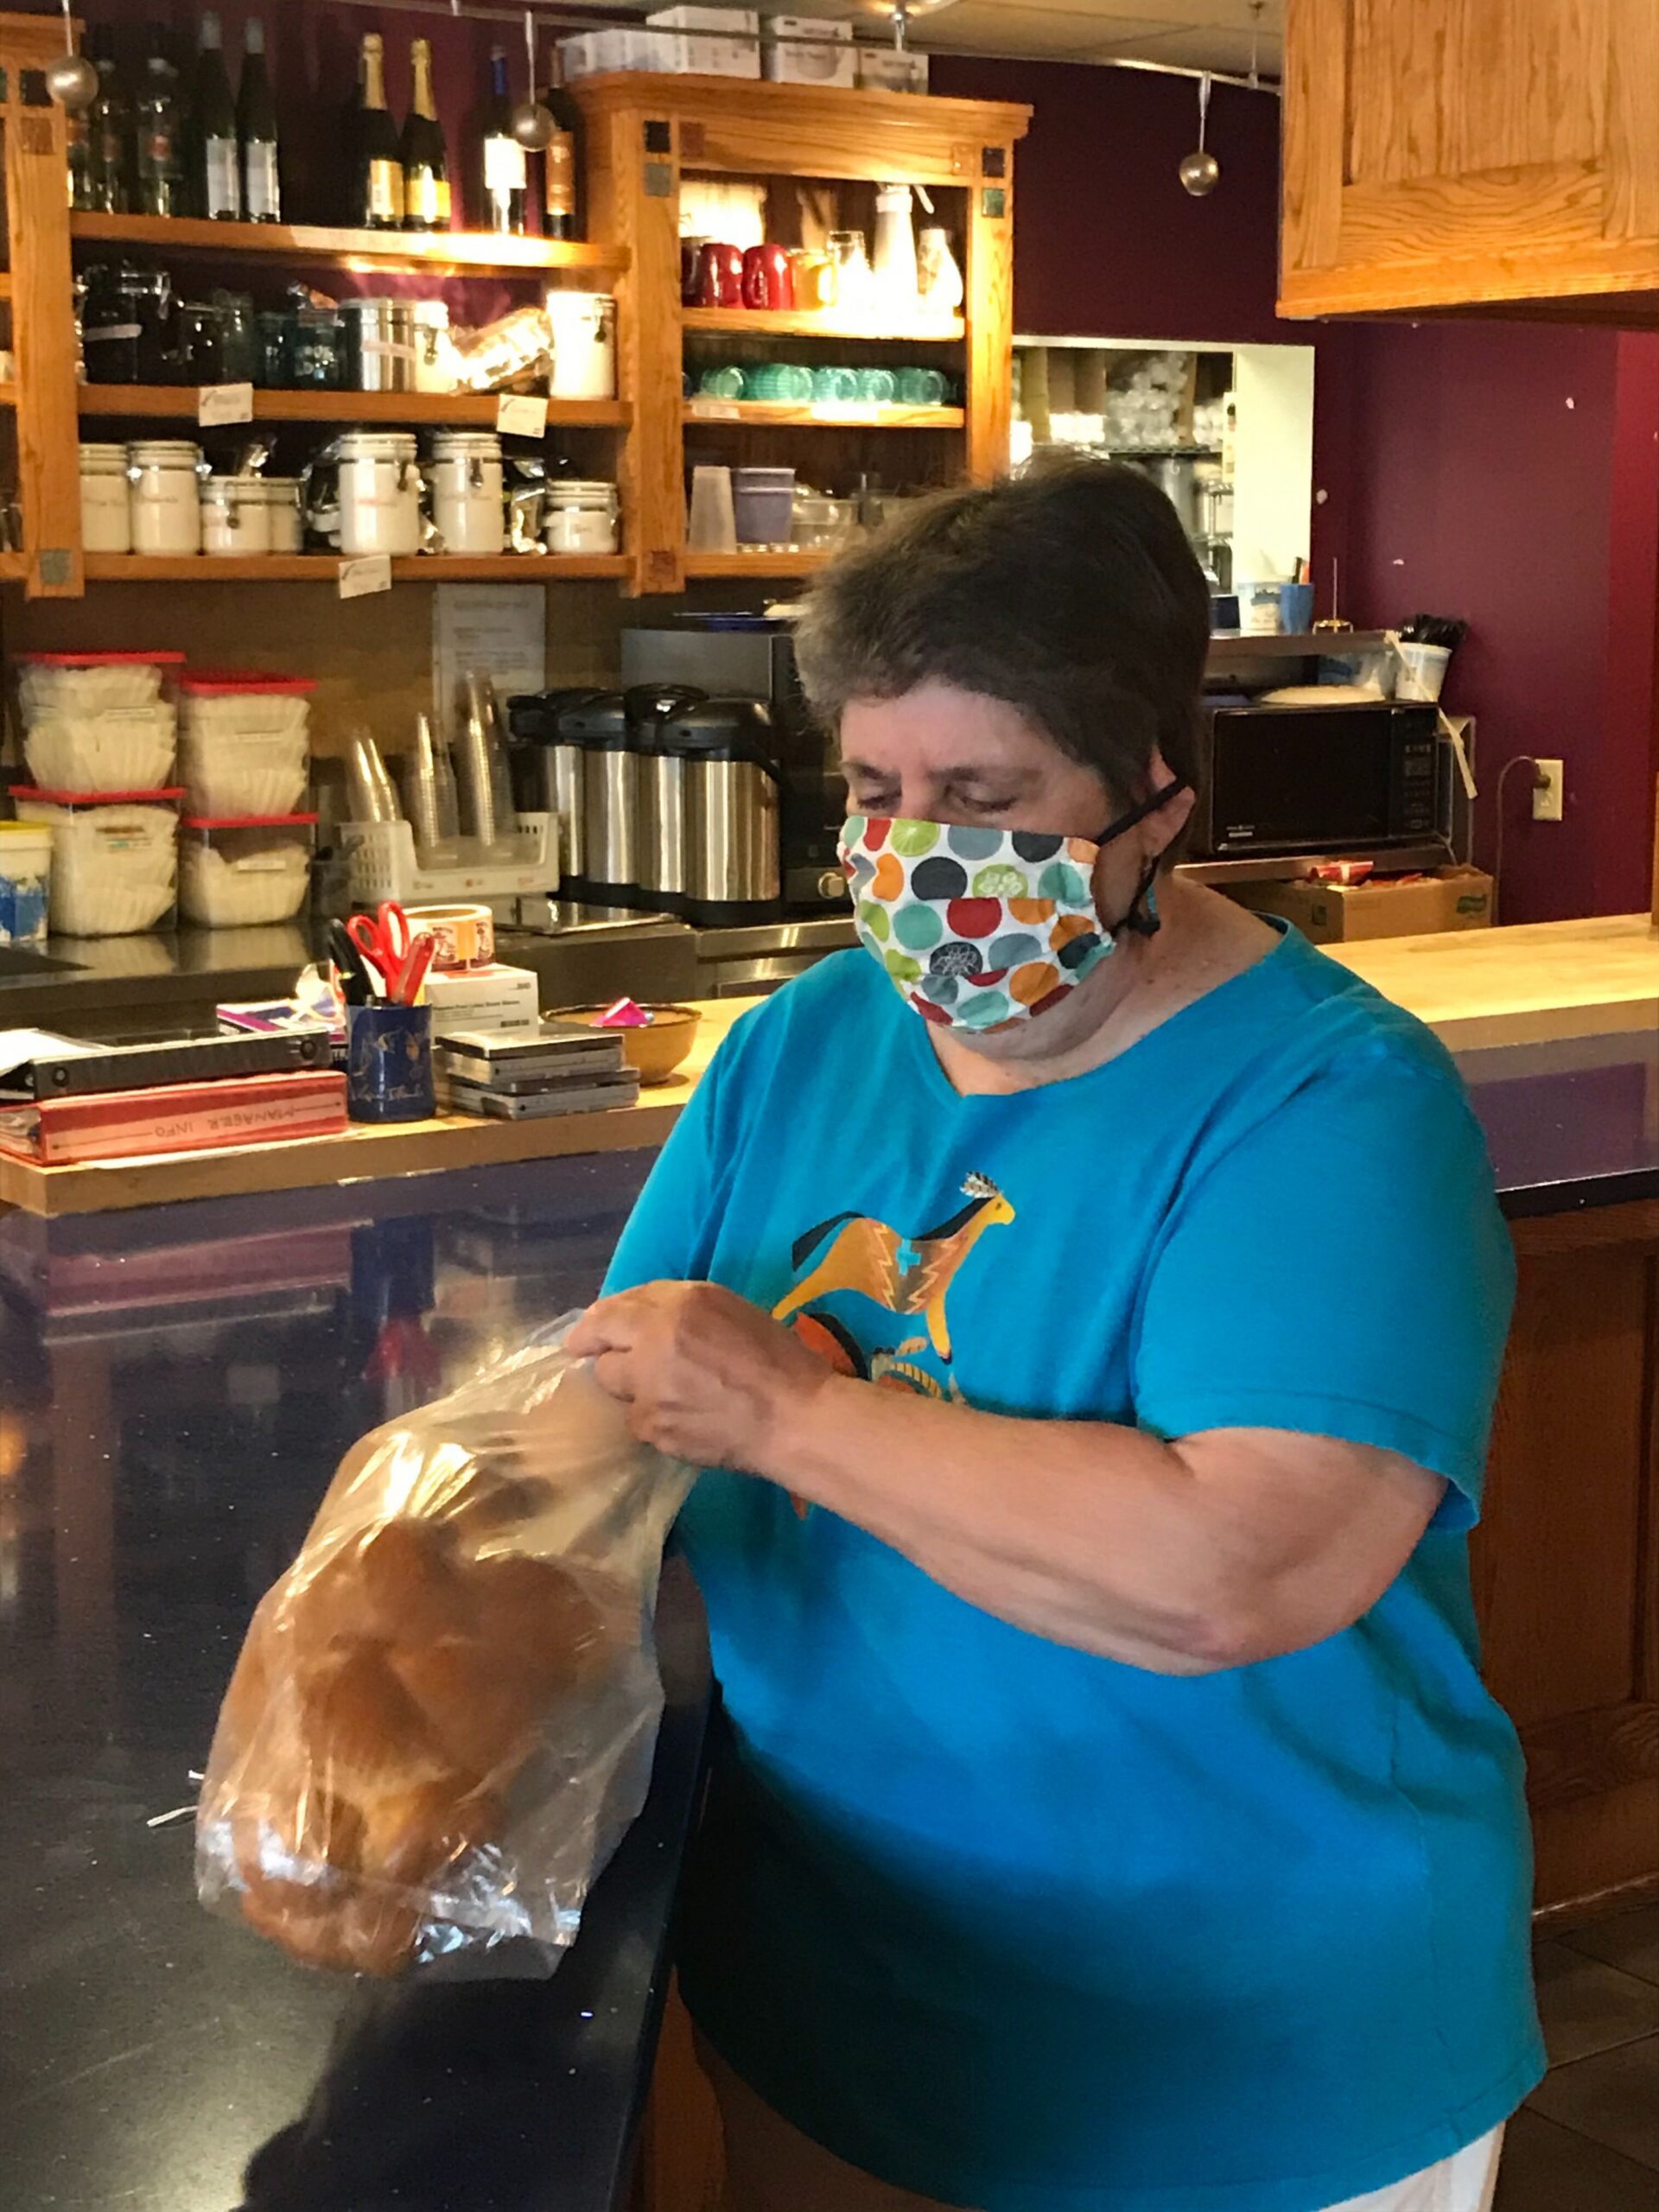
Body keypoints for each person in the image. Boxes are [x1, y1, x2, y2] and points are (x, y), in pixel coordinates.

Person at [568, 457, 1541, 2212]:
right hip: (839, 2000)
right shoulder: (799, 1044)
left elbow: (1233, 1567)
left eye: (987, 794)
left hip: (1240, 2057)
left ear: (1161, 793)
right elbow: (632, 1458)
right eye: (877, 788)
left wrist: (794, 1413)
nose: (914, 852)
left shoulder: (1331, 1103)